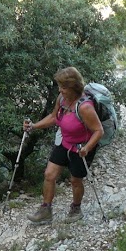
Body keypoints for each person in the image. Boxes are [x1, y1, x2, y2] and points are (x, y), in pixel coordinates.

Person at [24, 67, 104, 224]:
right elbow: (54, 117)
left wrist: (87, 148)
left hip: (82, 148)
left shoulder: (85, 107)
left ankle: (76, 208)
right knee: (49, 175)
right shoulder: (62, 99)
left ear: (74, 87)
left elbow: (99, 130)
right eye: (60, 86)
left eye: (64, 87)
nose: (60, 90)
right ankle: (46, 210)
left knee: (75, 180)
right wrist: (34, 126)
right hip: (64, 142)